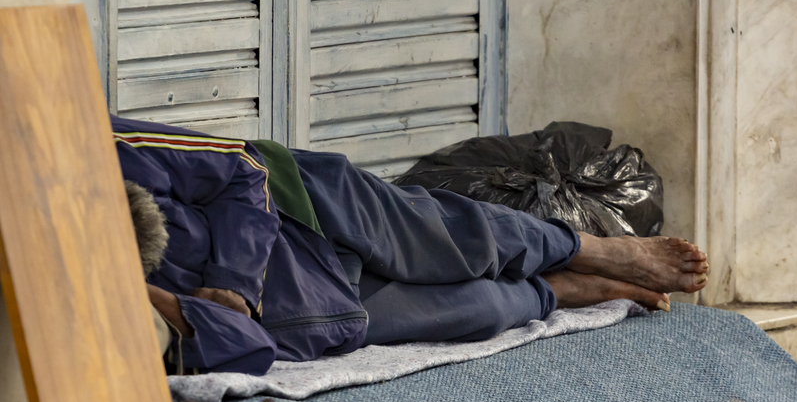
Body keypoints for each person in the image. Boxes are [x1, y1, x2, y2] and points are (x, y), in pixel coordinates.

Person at [114, 116, 709, 376]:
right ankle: (562, 290)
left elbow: (242, 170)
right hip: (312, 307)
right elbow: (244, 348)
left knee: (459, 237)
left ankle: (585, 248)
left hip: (301, 204)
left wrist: (232, 282)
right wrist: (145, 299)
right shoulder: (109, 320)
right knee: (478, 310)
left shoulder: (99, 145)